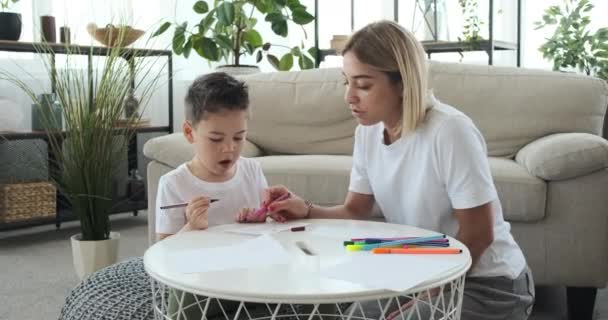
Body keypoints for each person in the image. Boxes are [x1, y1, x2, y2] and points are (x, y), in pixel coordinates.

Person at [263, 20, 535, 320]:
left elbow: (479, 234)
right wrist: (306, 209)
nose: (349, 97)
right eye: (347, 81)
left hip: (488, 282)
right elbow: (355, 210)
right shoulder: (367, 133)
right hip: (421, 264)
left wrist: (426, 294)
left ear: (403, 83)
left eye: (363, 85)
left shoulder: (449, 131)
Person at [155, 72, 272, 319]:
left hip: (250, 279)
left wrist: (261, 218)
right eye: (216, 139)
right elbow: (163, 252)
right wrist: (190, 228)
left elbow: (269, 231)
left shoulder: (252, 171)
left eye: (239, 137)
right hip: (201, 286)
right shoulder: (174, 184)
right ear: (189, 133)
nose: (229, 147)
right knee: (184, 308)